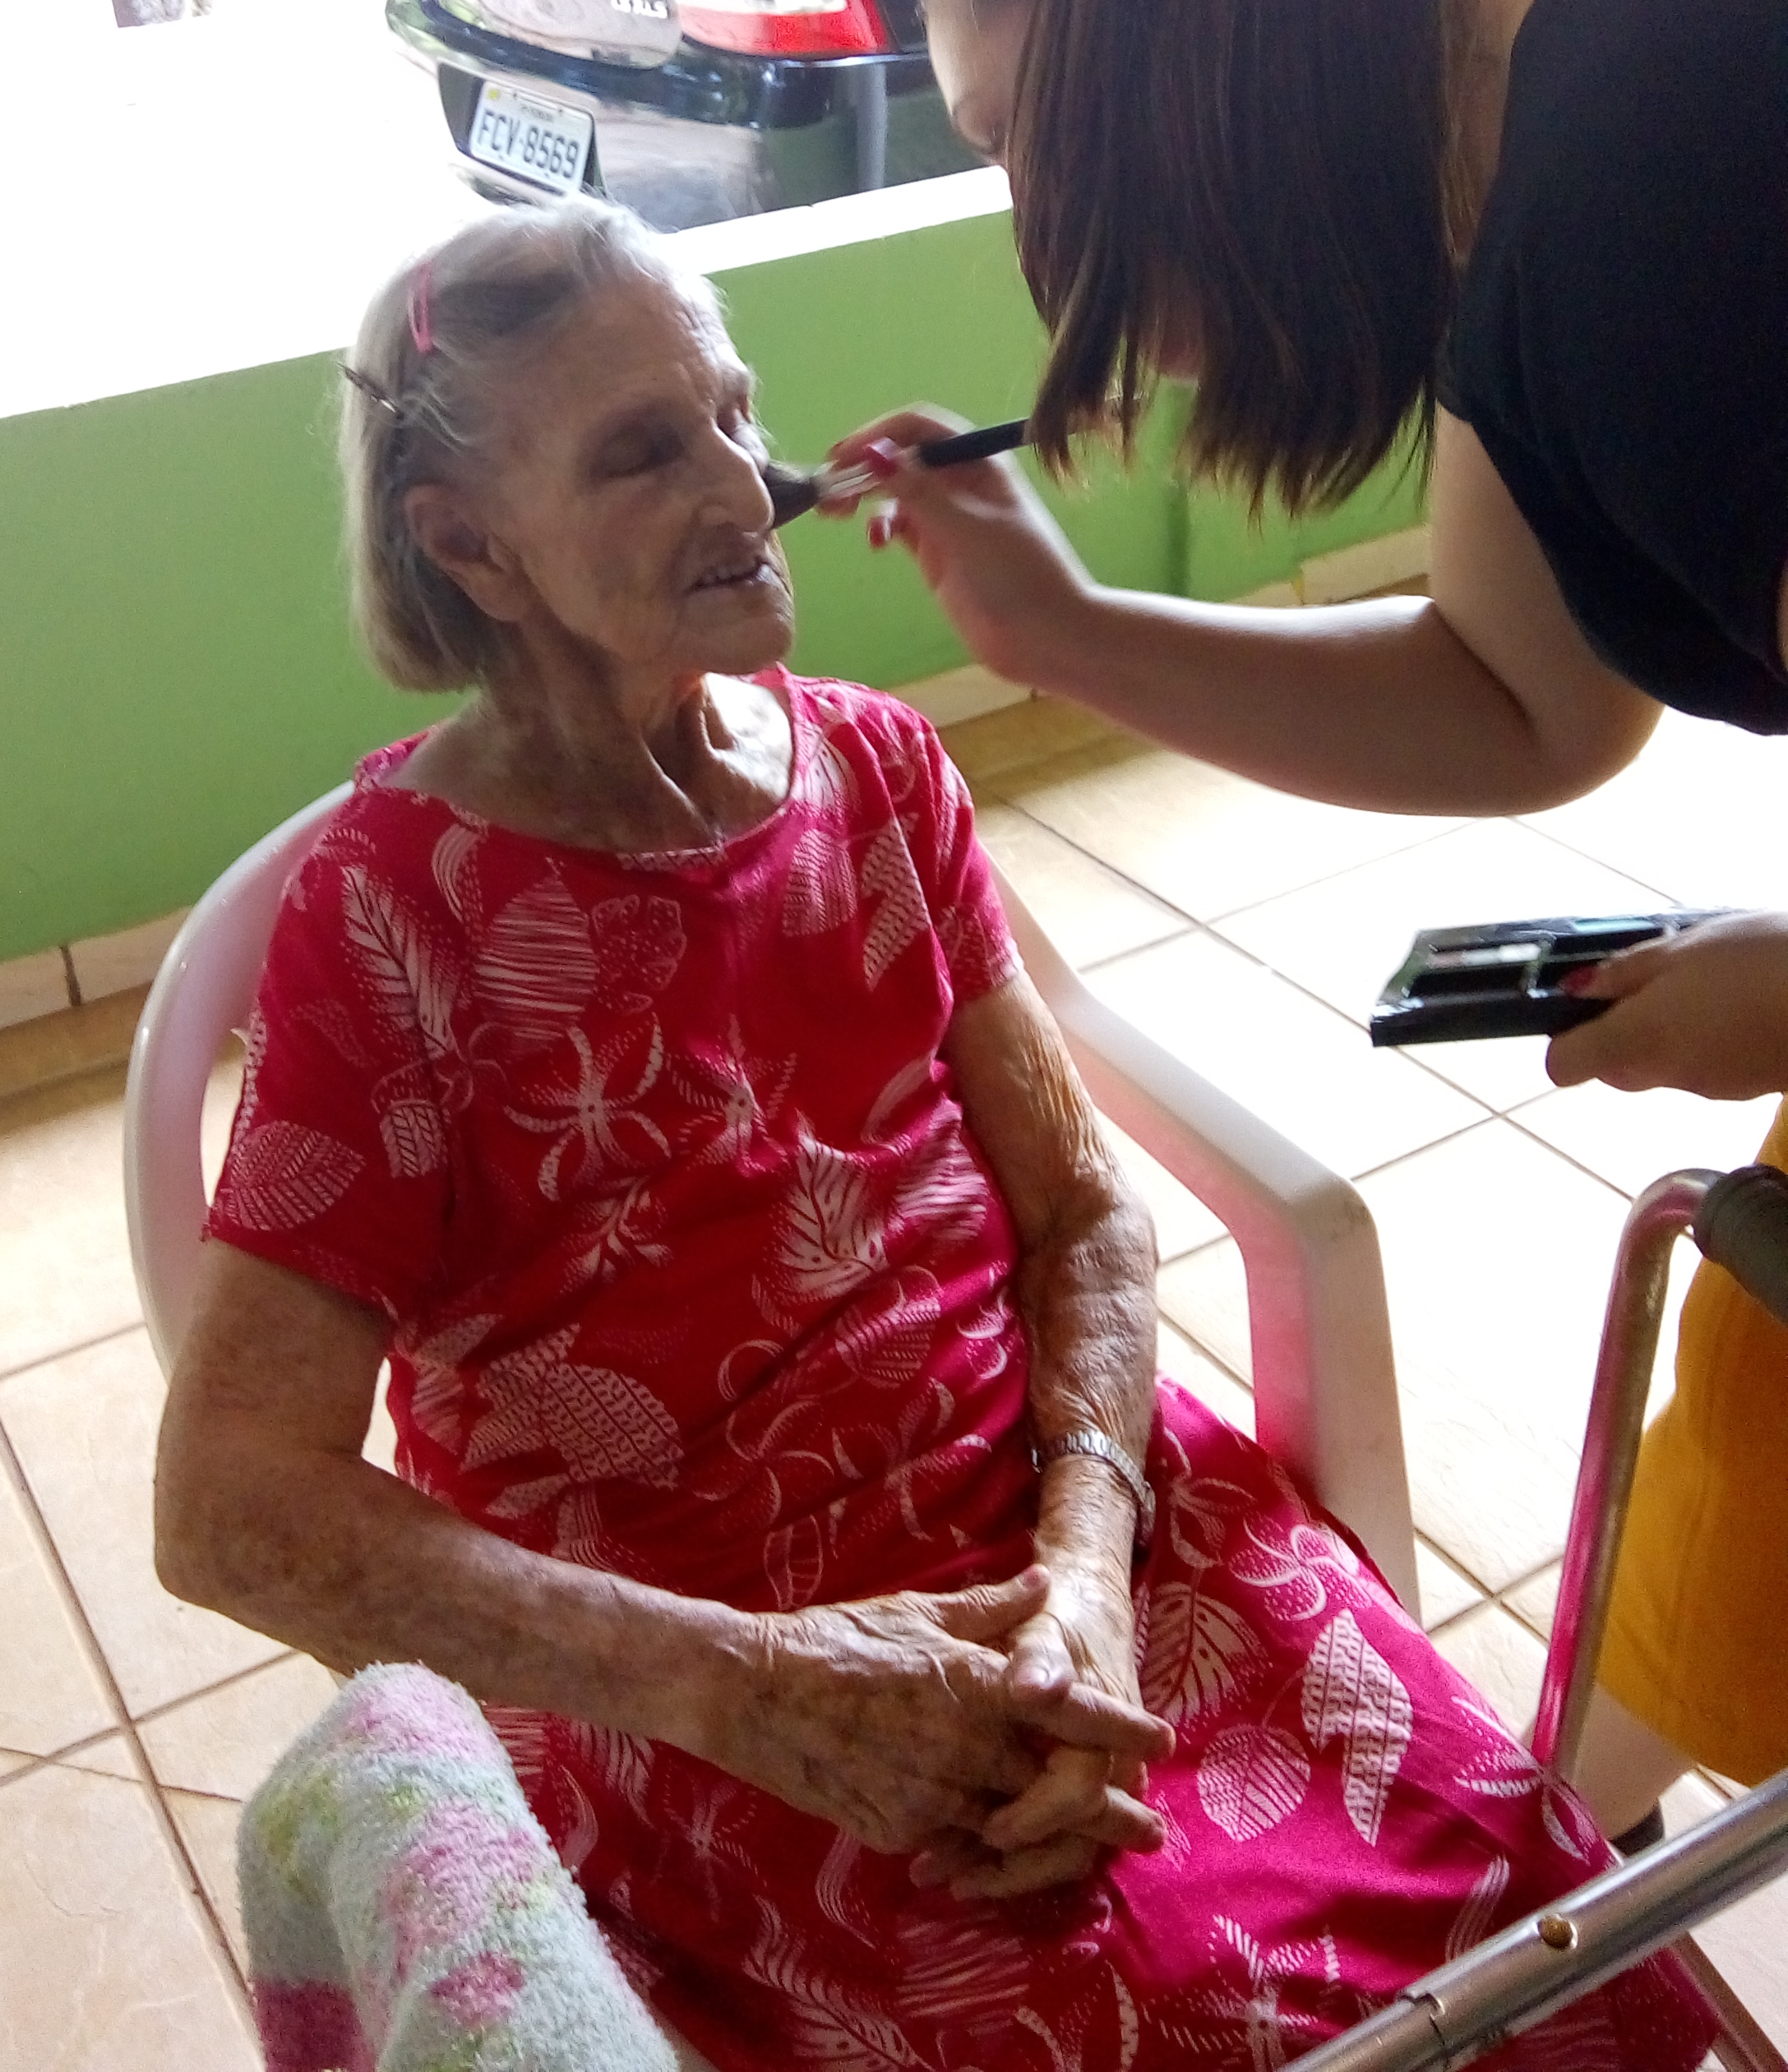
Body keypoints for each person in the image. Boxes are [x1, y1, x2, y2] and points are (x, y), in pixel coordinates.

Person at [155, 201, 1707, 2072]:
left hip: (1076, 1512)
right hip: (702, 1669)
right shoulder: (390, 915)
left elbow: (1083, 1219)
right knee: (1175, 2018)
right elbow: (229, 1506)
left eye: (735, 413)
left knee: (1539, 1916)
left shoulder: (878, 769)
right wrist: (763, 1691)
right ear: (469, 546)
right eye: (643, 452)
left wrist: (1086, 1570)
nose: (744, 483)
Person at [829, 0, 1788, 1846]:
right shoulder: (1534, 133)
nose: (1040, 246)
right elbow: (1520, 696)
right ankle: (1567, 1870)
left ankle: (1563, 1882)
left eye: (1026, 143)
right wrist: (1061, 631)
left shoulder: (1667, 170)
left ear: (1177, 50)